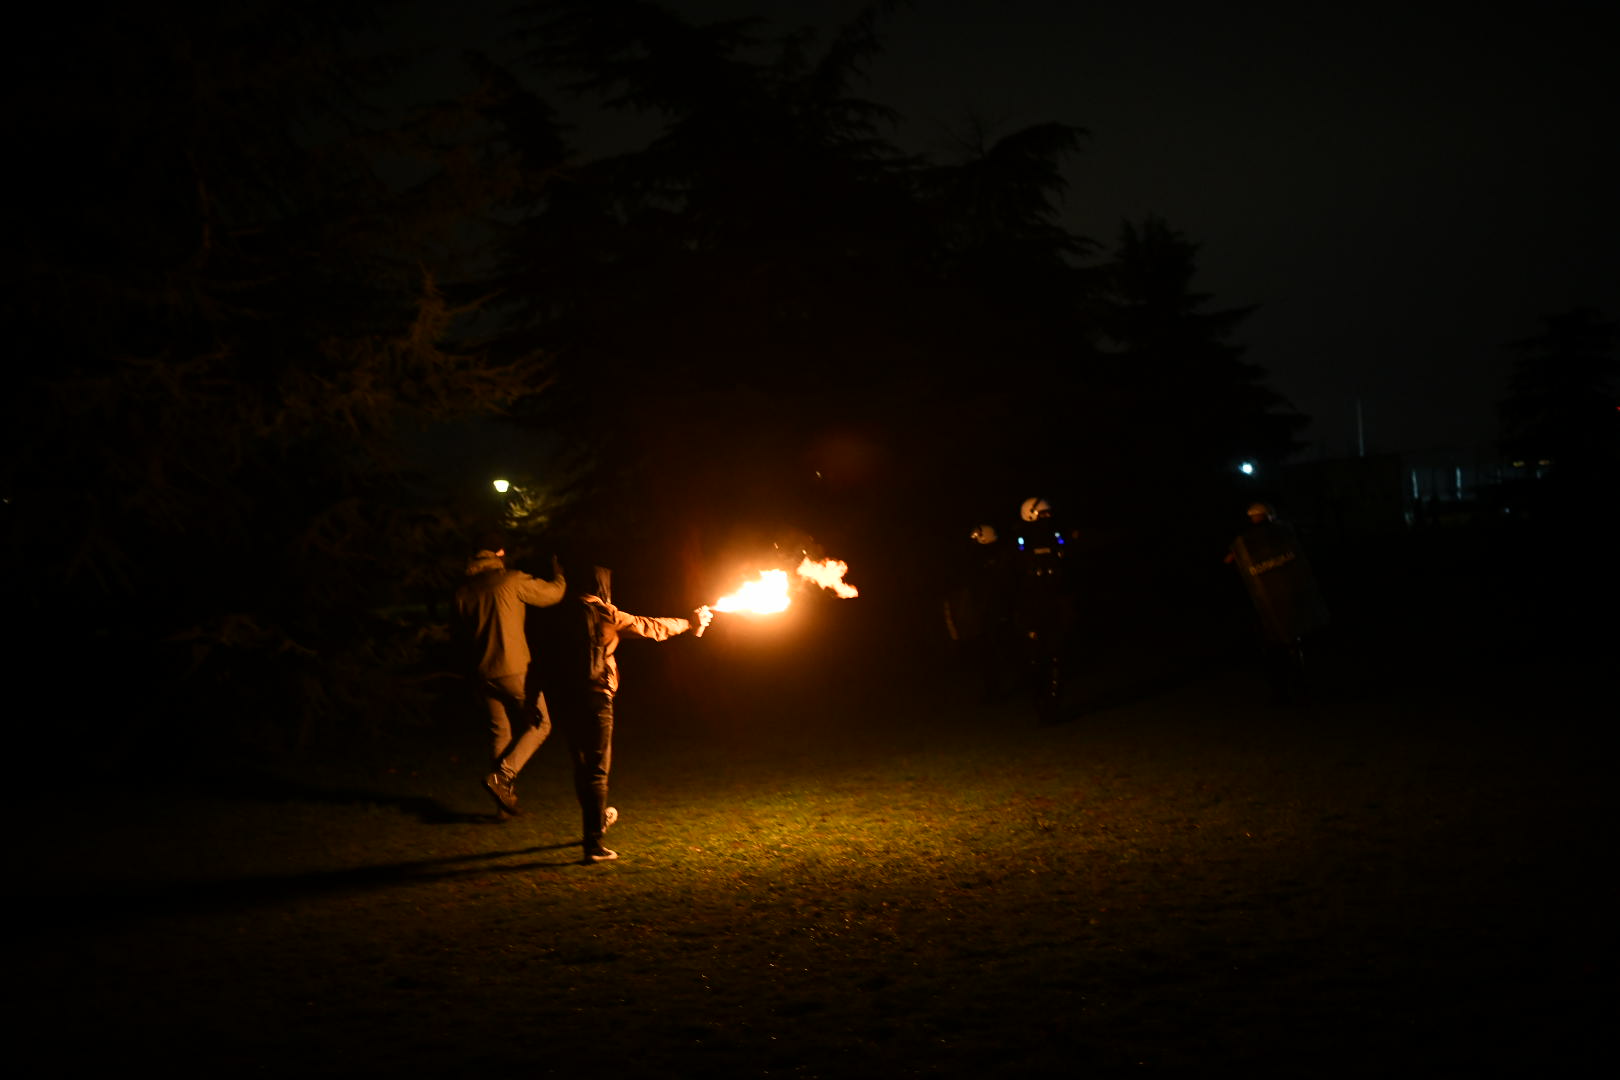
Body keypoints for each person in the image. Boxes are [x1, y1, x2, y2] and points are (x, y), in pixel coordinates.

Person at [533, 564, 712, 864]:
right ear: (602, 587)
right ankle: (594, 844)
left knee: (581, 765)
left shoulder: (559, 615)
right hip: (597, 698)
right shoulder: (606, 613)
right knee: (597, 770)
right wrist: (689, 622)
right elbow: (651, 626)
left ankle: (596, 820)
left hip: (565, 698)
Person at [452, 543, 566, 817]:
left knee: (500, 733)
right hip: (514, 669)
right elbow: (552, 594)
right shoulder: (511, 580)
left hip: (482, 672)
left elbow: (459, 636)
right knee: (542, 724)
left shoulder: (463, 593)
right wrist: (560, 573)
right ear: (496, 559)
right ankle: (503, 776)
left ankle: (502, 804)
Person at [1225, 501, 1329, 703]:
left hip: (1268, 606)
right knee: (1292, 646)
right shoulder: (1282, 533)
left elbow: (1229, 560)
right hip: (1291, 600)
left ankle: (1283, 691)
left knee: (1275, 650)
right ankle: (1300, 687)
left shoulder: (1248, 542)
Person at [1011, 497, 1077, 723]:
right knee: (1035, 659)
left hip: (1054, 606)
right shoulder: (1020, 543)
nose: (1048, 519)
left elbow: (1068, 571)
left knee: (1057, 657)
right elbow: (1012, 581)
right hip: (1031, 609)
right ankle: (1040, 703)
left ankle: (1053, 706)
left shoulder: (1056, 539)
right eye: (1043, 515)